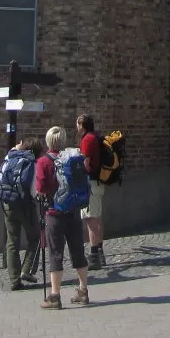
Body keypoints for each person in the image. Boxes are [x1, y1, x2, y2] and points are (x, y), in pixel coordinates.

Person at [36, 125, 89, 308]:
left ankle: (55, 295)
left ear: (48, 141)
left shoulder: (44, 161)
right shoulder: (74, 158)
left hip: (54, 212)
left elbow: (41, 188)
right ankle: (83, 290)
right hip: (73, 210)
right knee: (78, 251)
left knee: (56, 253)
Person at [0, 136, 42, 290]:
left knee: (12, 241)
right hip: (25, 205)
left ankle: (14, 279)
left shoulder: (9, 157)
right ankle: (27, 270)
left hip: (7, 203)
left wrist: (16, 148)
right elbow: (34, 190)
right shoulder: (32, 163)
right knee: (35, 237)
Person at [76, 113, 106, 269]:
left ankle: (94, 255)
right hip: (98, 182)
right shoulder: (96, 136)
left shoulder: (87, 140)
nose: (77, 127)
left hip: (90, 183)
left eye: (78, 124)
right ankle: (100, 252)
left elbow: (85, 164)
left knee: (90, 219)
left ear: (82, 125)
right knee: (97, 217)